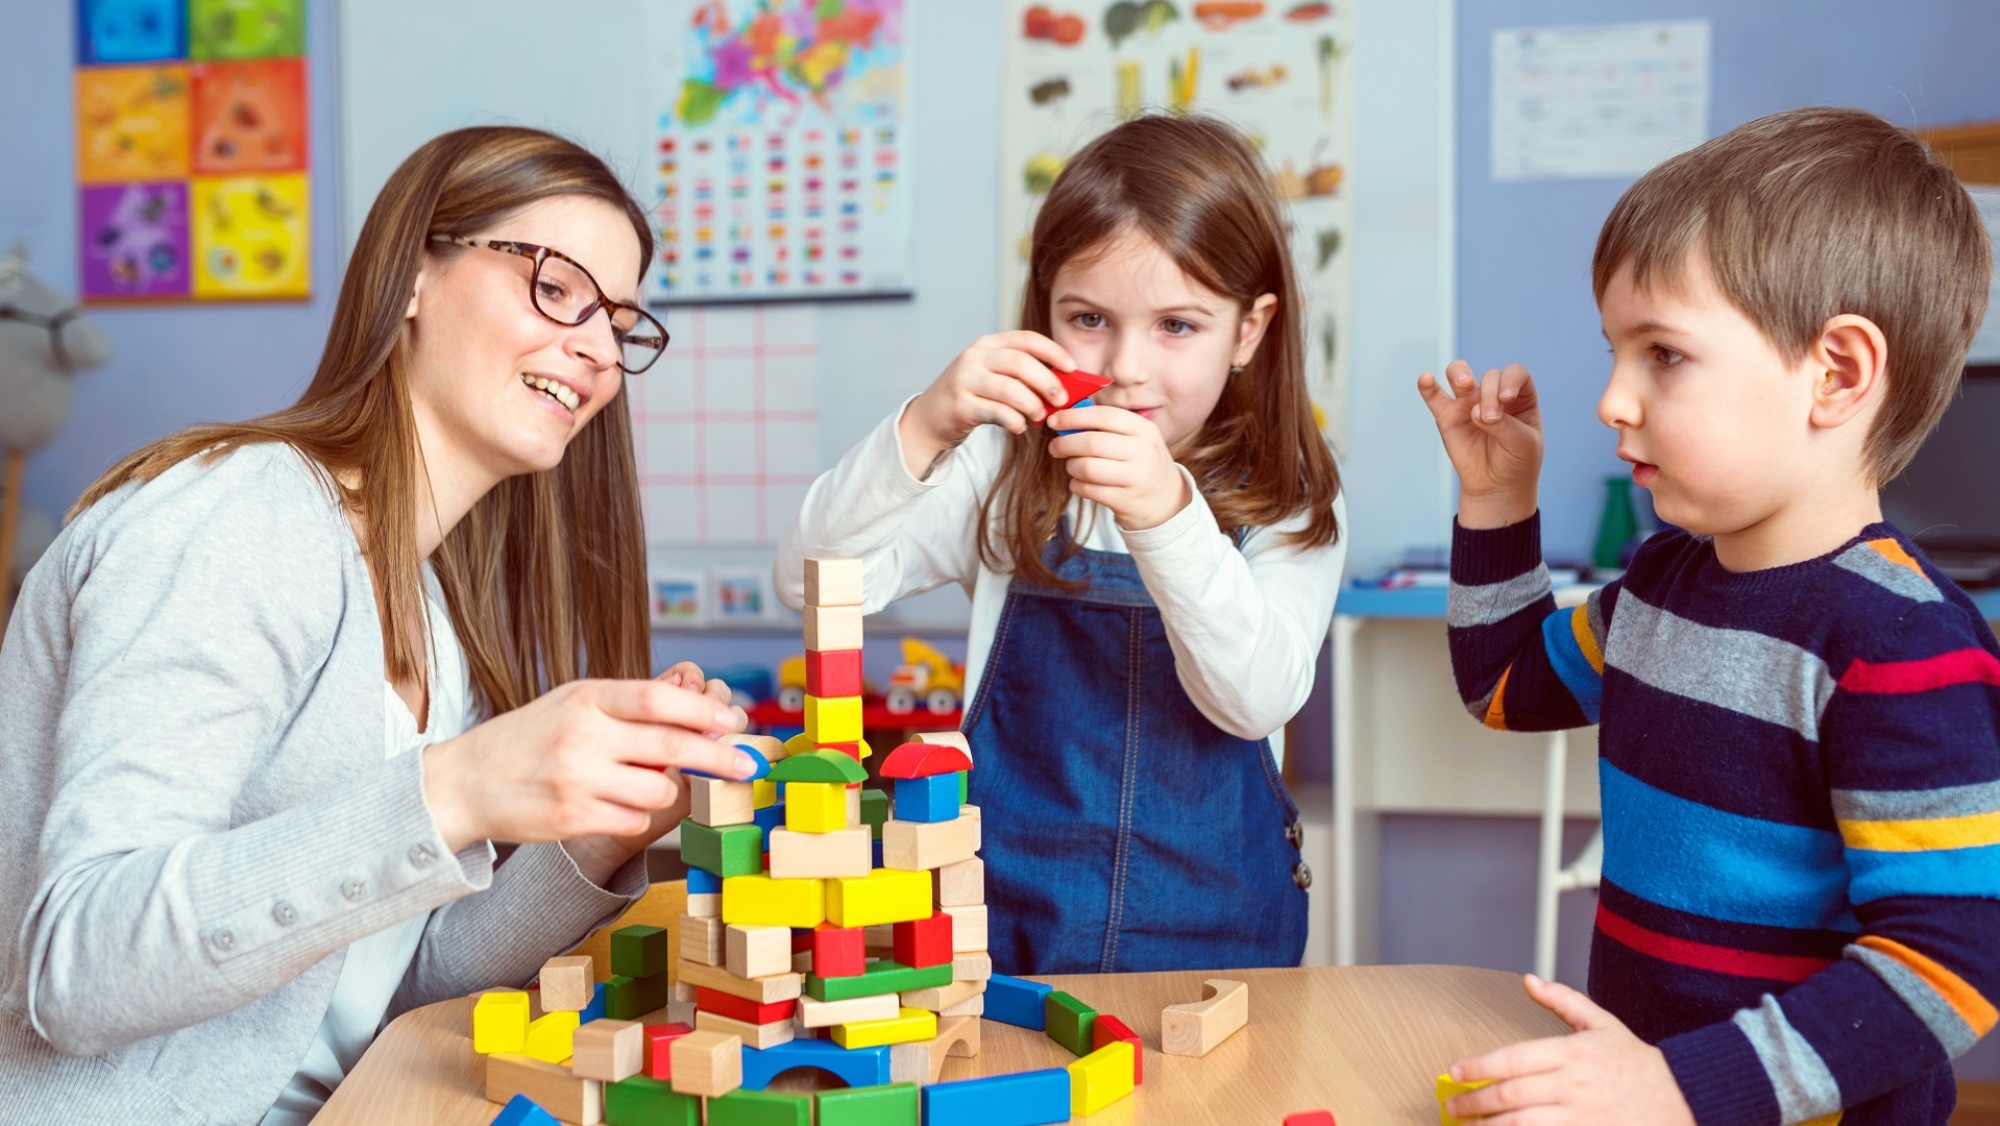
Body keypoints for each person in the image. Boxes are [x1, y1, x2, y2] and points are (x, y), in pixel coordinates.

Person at [0, 126, 758, 1123]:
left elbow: (391, 989)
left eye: (620, 321)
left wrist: (598, 831)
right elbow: (79, 965)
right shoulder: (235, 518)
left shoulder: (436, 607)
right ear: (411, 276)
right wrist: (459, 787)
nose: (596, 349)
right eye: (557, 287)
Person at [1421, 107, 2000, 1125]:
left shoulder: (1901, 644)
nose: (1609, 399)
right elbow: (1504, 685)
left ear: (1834, 374)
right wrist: (1496, 504)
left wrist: (1685, 1085)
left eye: (1663, 356)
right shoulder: (1659, 583)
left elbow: (1948, 961)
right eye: (1614, 351)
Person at [776, 114, 1345, 974]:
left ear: (1250, 331)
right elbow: (810, 581)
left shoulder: (1292, 495)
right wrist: (925, 427)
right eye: (1089, 318)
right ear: (1044, 308)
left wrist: (1165, 514)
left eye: (1177, 326)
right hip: (999, 935)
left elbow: (1254, 700)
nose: (1126, 366)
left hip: (1222, 947)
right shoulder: (1000, 467)